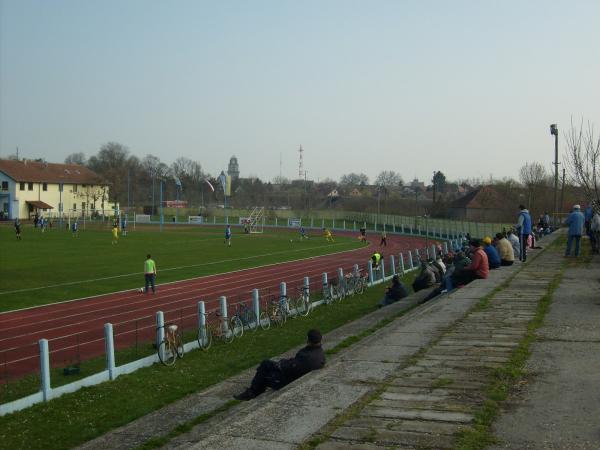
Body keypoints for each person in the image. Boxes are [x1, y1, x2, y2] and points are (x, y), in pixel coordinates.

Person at [234, 329, 325, 401]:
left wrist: (280, 364)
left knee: (265, 370)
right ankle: (253, 391)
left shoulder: (307, 356)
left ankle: (252, 392)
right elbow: (295, 365)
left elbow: (291, 367)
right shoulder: (319, 353)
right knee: (267, 365)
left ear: (308, 340)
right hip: (297, 374)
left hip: (289, 379)